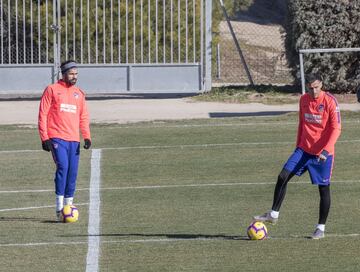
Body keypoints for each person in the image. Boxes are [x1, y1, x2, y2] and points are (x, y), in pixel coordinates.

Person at [253, 73, 341, 239]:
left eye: (316, 87)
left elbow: (336, 129)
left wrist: (326, 150)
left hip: (322, 154)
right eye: (311, 87)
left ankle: (320, 228)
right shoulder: (304, 100)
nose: (314, 91)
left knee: (324, 189)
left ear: (321, 84)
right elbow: (302, 123)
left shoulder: (330, 101)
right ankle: (273, 214)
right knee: (282, 176)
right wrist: (297, 147)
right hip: (303, 150)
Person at [38, 60, 91, 221]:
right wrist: (44, 137)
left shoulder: (79, 93)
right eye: (71, 74)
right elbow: (43, 114)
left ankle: (69, 204)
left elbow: (83, 117)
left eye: (76, 74)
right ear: (64, 74)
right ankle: (59, 207)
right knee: (63, 167)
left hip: (73, 139)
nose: (74, 77)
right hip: (56, 137)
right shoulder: (52, 90)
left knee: (73, 172)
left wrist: (87, 136)